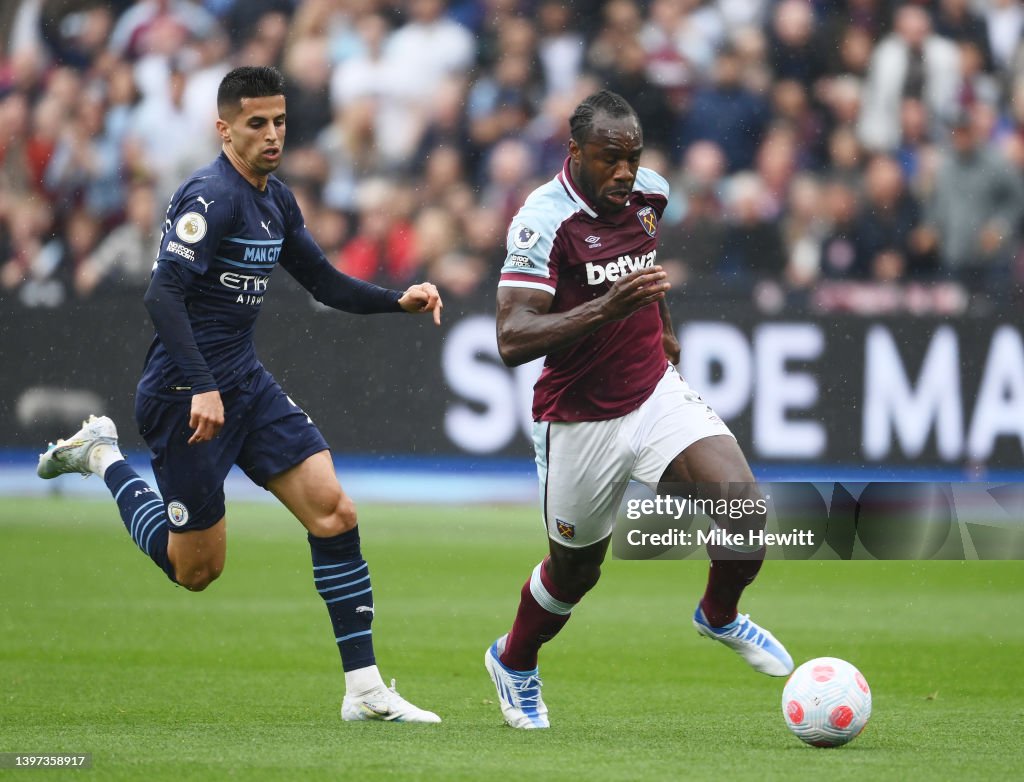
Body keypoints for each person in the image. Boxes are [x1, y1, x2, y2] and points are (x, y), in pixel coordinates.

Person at [36, 66, 443, 725]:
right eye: (258, 123)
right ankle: (102, 457)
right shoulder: (208, 197)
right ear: (224, 129)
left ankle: (365, 690)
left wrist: (397, 300)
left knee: (335, 512)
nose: (273, 134)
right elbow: (161, 293)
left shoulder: (275, 199)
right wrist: (201, 385)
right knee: (196, 570)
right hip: (182, 396)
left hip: (245, 387)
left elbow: (322, 282)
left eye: (280, 121)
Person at [485, 90, 793, 730]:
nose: (624, 172)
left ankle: (719, 614)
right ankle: (513, 661)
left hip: (652, 391)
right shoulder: (542, 221)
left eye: (633, 157)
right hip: (576, 416)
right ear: (575, 153)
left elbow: (640, 272)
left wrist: (664, 326)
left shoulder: (649, 193)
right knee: (574, 574)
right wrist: (610, 307)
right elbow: (512, 338)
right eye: (609, 159)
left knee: (743, 505)